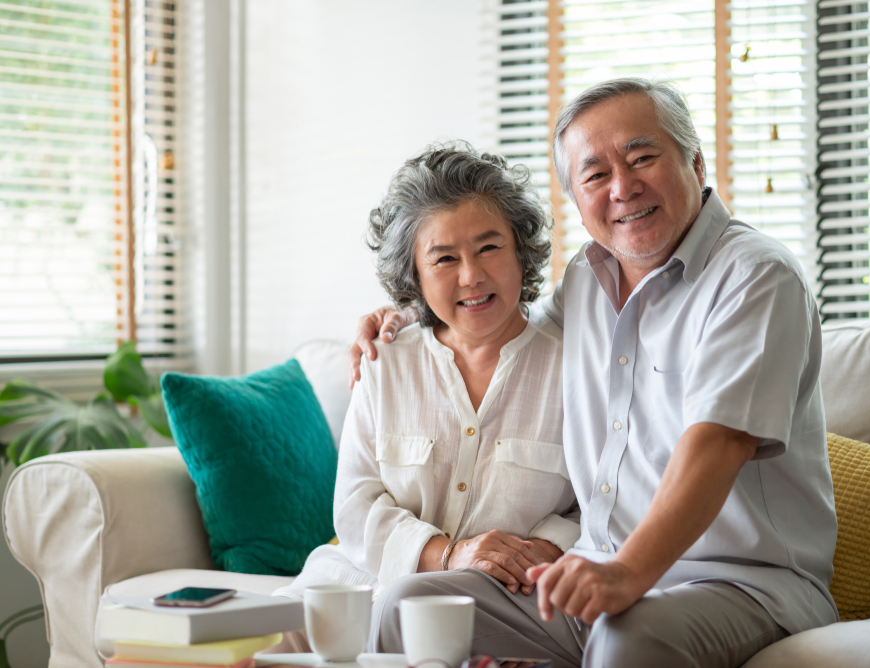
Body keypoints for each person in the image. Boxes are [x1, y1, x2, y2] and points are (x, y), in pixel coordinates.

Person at [351, 78, 839, 668]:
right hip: (595, 581)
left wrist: (628, 573)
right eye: (595, 175)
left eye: (642, 158)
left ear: (695, 161)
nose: (623, 187)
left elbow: (719, 442)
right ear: (576, 198)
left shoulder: (756, 277)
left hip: (740, 586)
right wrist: (407, 313)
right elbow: (500, 317)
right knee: (409, 604)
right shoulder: (586, 279)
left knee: (628, 636)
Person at [271, 143, 579, 648]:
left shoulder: (574, 363)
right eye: (444, 258)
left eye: (488, 248)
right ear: (414, 275)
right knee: (252, 648)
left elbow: (599, 502)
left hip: (498, 599)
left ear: (521, 250)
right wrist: (449, 553)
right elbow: (355, 503)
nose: (471, 275)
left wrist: (540, 550)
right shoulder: (384, 360)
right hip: (357, 583)